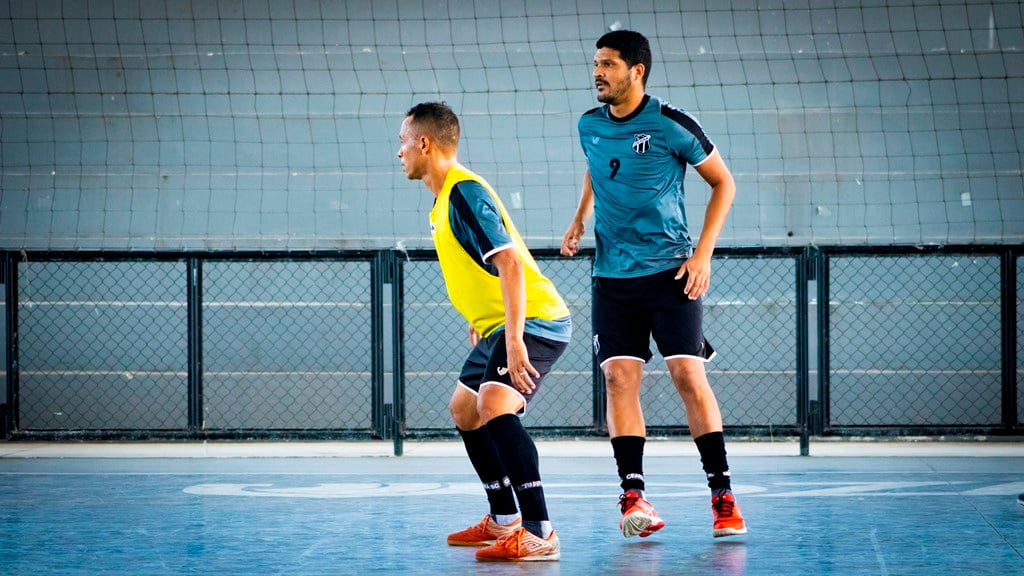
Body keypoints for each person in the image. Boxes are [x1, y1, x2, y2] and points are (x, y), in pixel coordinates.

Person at [560, 30, 747, 539]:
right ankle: (633, 497)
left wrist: (703, 255)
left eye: (607, 64)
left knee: (688, 375)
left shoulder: (670, 123)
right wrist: (580, 218)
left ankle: (723, 495)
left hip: (671, 272)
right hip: (612, 277)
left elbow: (723, 182)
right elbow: (597, 169)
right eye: (595, 63)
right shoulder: (588, 125)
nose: (597, 72)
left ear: (636, 70)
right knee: (619, 379)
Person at [397, 101, 572, 562]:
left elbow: (510, 262)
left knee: (494, 404)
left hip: (537, 319)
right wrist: (483, 323)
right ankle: (504, 518)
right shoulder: (442, 202)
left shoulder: (464, 192)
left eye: (402, 141)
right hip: (500, 323)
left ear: (423, 142)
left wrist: (513, 339)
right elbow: (477, 268)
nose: (399, 152)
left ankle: (540, 531)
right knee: (465, 409)